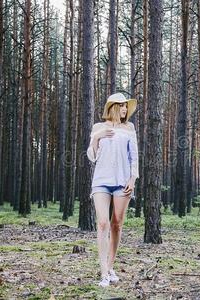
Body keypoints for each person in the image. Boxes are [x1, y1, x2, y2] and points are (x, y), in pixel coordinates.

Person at [86, 92, 139, 287]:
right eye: (122, 106)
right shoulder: (98, 127)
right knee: (102, 223)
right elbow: (92, 156)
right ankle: (103, 274)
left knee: (116, 224)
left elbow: (134, 156)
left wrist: (133, 179)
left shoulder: (129, 128)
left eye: (127, 106)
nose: (126, 109)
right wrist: (96, 138)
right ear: (113, 107)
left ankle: (110, 266)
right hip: (101, 180)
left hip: (122, 181)